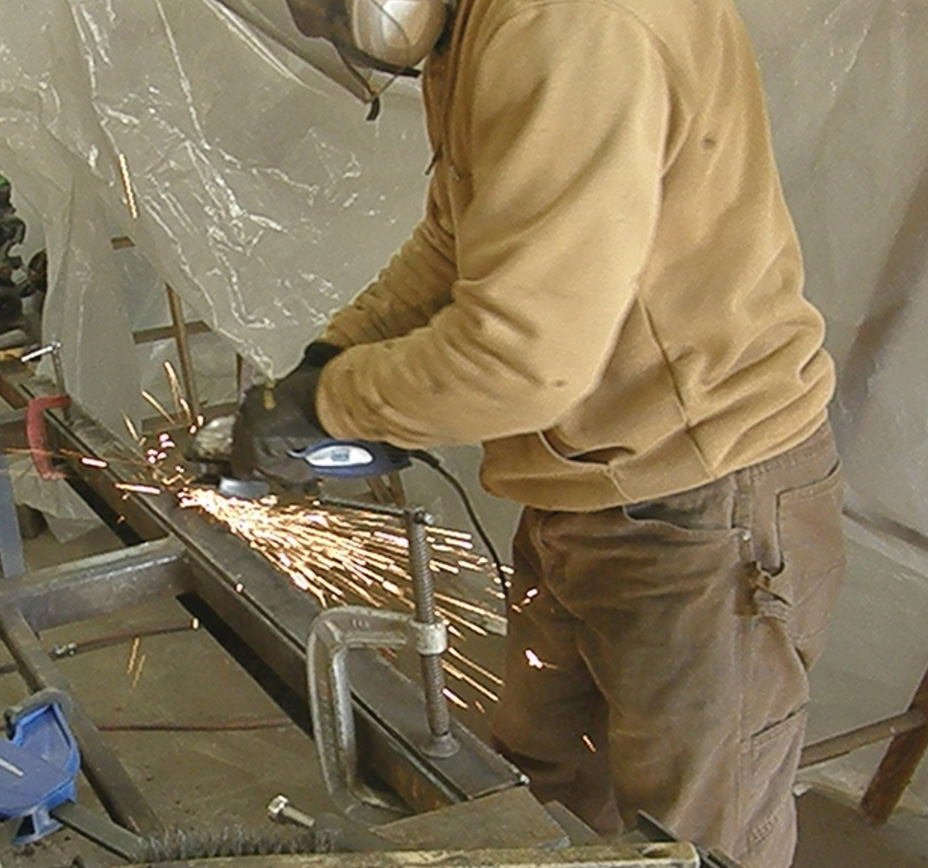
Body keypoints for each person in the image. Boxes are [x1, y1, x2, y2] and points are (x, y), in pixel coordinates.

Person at [231, 0, 846, 865]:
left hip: (698, 504)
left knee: (693, 840)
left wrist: (337, 404)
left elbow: (524, 360)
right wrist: (330, 355)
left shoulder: (571, 26)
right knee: (541, 796)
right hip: (589, 491)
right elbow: (459, 234)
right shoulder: (482, 25)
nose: (326, 22)